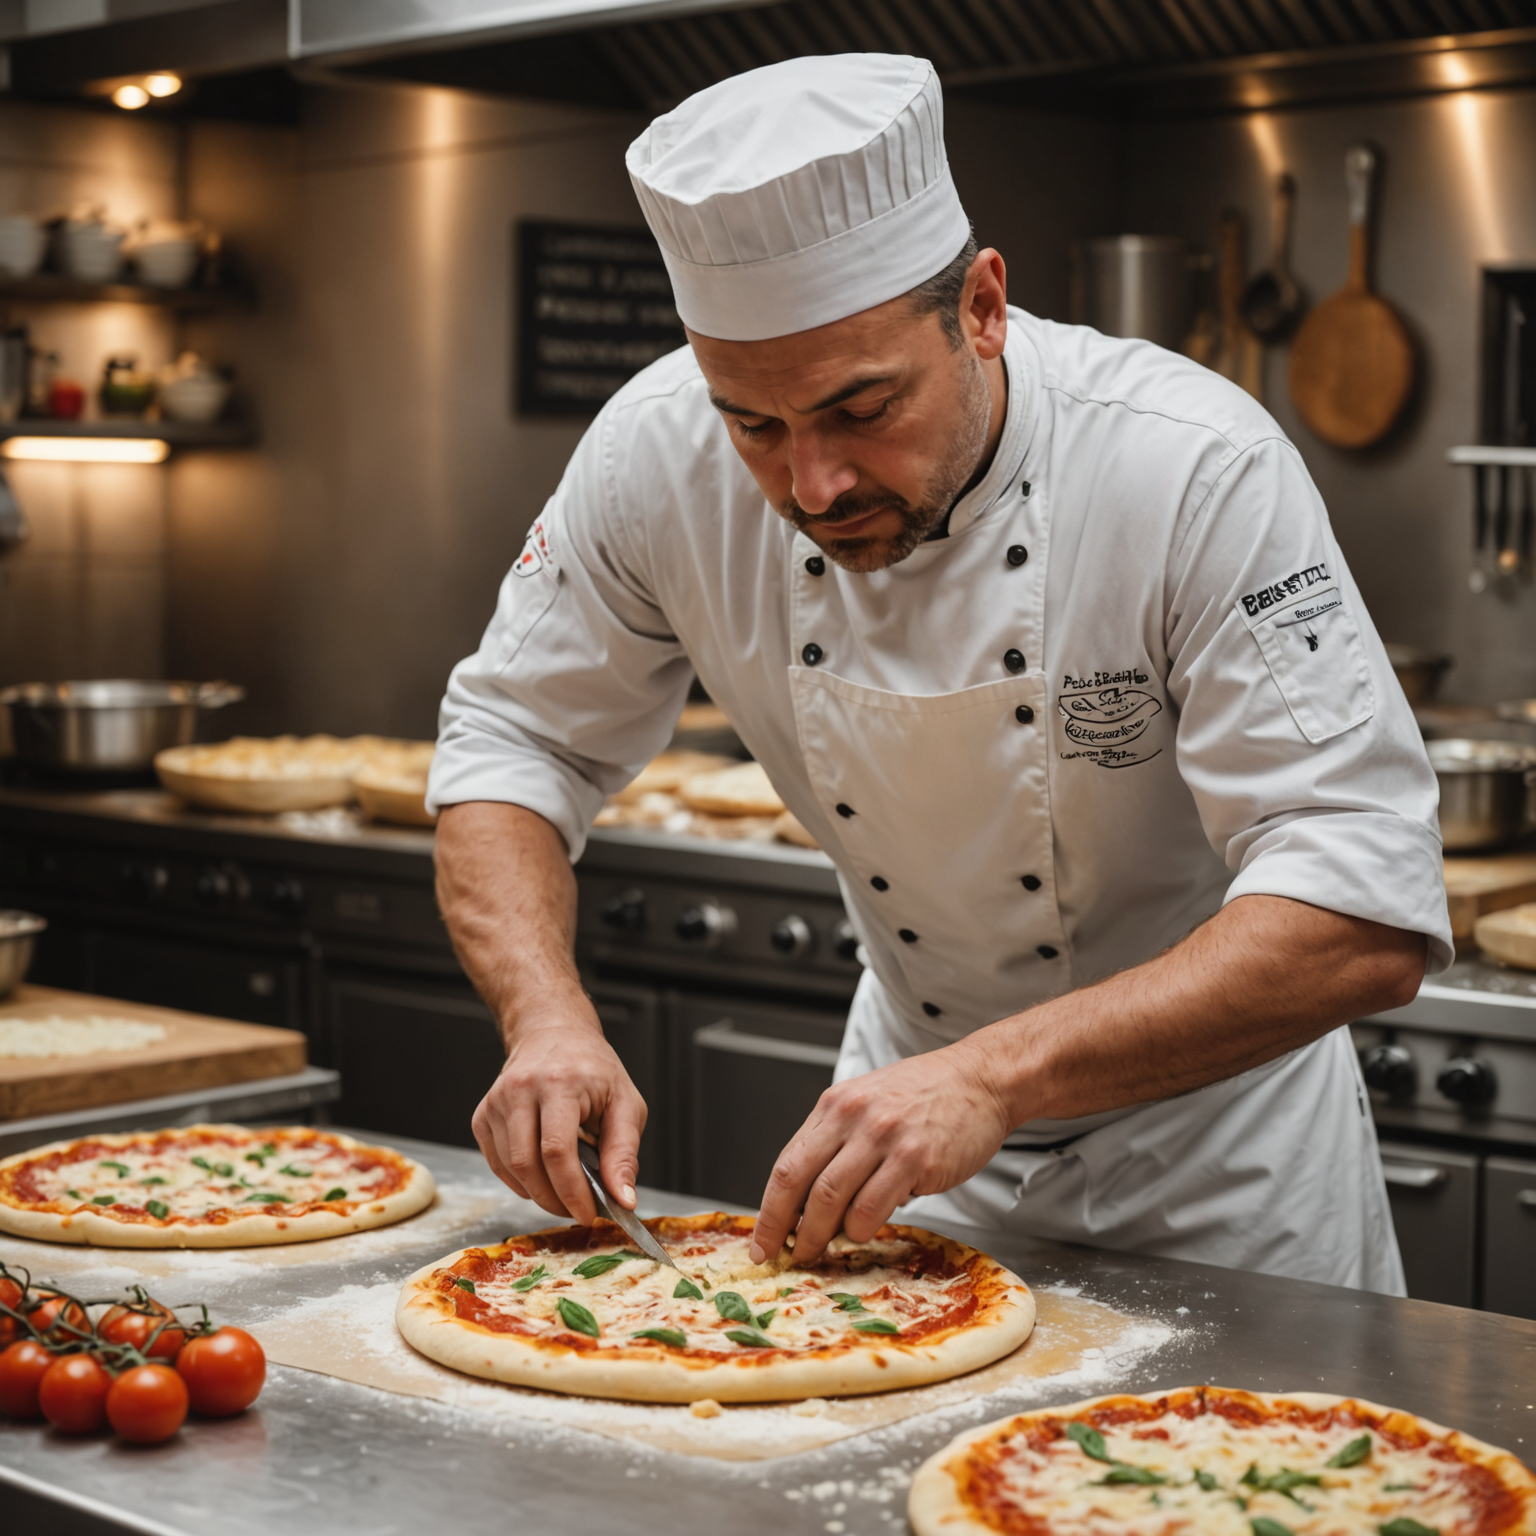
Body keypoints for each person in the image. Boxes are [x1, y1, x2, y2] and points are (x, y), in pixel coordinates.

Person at [428, 53, 1450, 1293]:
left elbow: (1362, 909)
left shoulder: (1189, 468)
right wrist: (546, 1016)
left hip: (1226, 1169)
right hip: (911, 1150)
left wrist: (991, 1074)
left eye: (861, 407)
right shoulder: (652, 455)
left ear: (981, 306)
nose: (812, 486)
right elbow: (511, 742)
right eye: (754, 423)